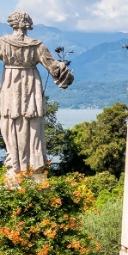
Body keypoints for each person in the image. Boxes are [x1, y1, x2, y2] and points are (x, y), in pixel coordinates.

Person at [0, 11, 74, 185]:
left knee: (10, 122)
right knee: (33, 123)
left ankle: (15, 165)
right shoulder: (37, 45)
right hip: (30, 84)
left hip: (10, 85)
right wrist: (65, 74)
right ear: (28, 25)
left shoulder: (3, 43)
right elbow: (54, 67)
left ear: (12, 24)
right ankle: (34, 165)